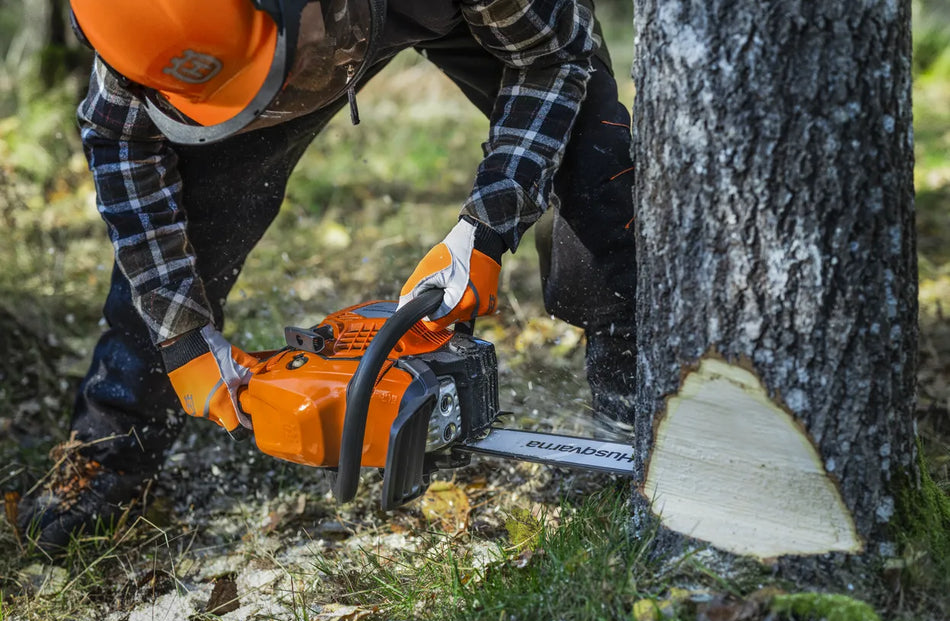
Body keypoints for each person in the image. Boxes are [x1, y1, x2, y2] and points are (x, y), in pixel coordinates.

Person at [17, 0, 636, 554]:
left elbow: (552, 56)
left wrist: (487, 225)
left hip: (427, 15)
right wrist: (181, 337)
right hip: (255, 50)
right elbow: (116, 137)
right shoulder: (136, 24)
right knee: (181, 254)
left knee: (595, 164)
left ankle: (631, 401)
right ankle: (108, 449)